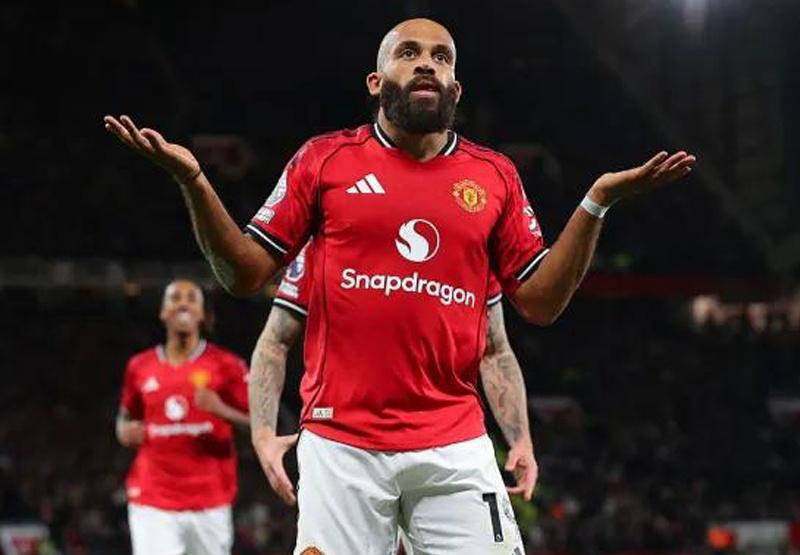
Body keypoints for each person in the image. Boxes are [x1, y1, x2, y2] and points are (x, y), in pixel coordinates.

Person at [104, 17, 695, 553]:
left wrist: (596, 203)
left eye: (441, 57)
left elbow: (537, 305)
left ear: (456, 89)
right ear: (376, 81)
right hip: (340, 445)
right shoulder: (324, 160)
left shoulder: (494, 177)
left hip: (454, 443)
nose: (426, 64)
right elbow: (244, 275)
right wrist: (195, 183)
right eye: (408, 53)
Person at [250, 242, 536, 553]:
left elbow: (495, 351)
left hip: (455, 443)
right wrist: (262, 433)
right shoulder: (326, 238)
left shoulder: (474, 238)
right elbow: (275, 341)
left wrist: (521, 439)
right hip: (342, 446)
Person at [116, 279, 250, 555]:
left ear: (201, 314)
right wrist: (123, 430)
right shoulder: (139, 367)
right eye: (175, 298)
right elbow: (124, 417)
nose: (183, 303)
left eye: (191, 298)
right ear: (163, 312)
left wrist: (221, 410)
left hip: (210, 500)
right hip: (152, 500)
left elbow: (262, 427)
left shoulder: (227, 365)